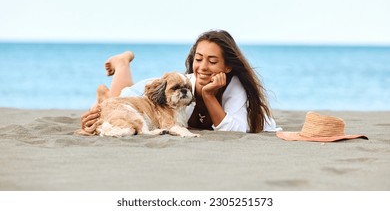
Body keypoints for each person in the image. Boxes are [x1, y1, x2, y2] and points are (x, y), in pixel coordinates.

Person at [81, 29, 279, 133]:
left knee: (114, 94)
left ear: (227, 67)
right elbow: (121, 106)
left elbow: (235, 130)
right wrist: (96, 115)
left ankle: (110, 84)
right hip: (149, 90)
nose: (202, 67)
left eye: (212, 61)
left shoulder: (235, 88)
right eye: (198, 58)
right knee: (120, 95)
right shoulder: (183, 85)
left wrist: (209, 96)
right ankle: (122, 62)